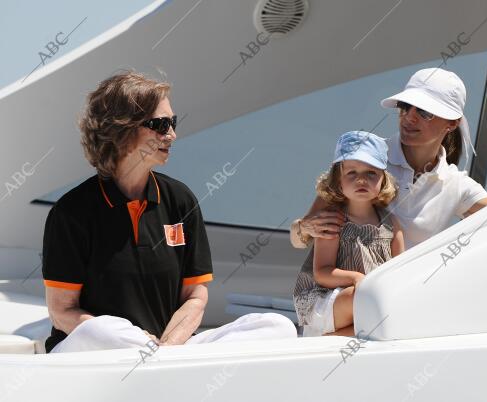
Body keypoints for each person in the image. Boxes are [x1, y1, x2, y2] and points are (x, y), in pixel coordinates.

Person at [42, 71, 296, 353]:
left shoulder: (180, 200)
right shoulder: (73, 211)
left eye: (172, 123)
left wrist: (166, 348)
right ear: (121, 130)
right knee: (102, 329)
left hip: (167, 348)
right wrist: (138, 344)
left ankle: (159, 363)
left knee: (276, 326)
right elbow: (62, 312)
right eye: (160, 125)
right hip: (94, 352)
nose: (171, 134)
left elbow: (195, 296)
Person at [290, 68, 487, 249]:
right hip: (338, 309)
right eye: (405, 107)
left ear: (451, 123)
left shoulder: (457, 186)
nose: (409, 118)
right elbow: (298, 237)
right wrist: (305, 229)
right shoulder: (364, 160)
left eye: (424, 111)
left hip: (395, 316)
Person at [293, 131, 405, 337]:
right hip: (330, 299)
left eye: (371, 173)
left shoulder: (391, 224)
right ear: (338, 181)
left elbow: (400, 269)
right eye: (351, 173)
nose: (361, 180)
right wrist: (357, 278)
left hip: (371, 299)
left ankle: (332, 339)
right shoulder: (332, 221)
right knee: (364, 298)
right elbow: (322, 272)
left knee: (391, 308)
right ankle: (322, 337)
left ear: (383, 180)